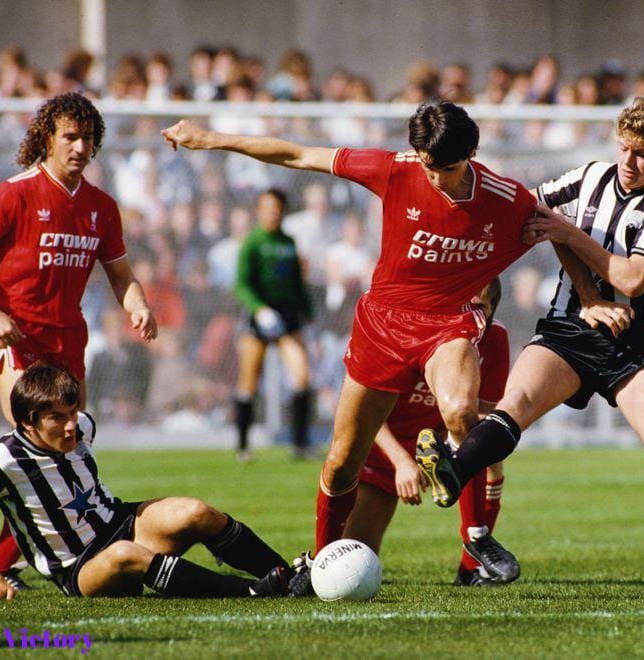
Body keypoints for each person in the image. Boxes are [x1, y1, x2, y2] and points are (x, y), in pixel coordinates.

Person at [162, 99, 538, 594]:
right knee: (341, 463)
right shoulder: (393, 170)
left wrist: (596, 292)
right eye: (427, 165)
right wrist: (211, 139)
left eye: (446, 169)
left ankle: (475, 539)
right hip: (383, 325)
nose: (436, 180)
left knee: (461, 413)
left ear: (471, 153)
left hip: (447, 324)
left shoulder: (506, 197)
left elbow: (561, 231)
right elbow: (298, 155)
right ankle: (319, 562)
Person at [416, 97, 644, 598]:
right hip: (568, 330)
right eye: (623, 148)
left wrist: (568, 234)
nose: (629, 163)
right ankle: (451, 469)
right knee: (512, 410)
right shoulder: (591, 175)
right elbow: (530, 211)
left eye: (642, 154)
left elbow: (632, 277)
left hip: (630, 344)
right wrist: (587, 295)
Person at [0, 92, 158, 591]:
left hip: (68, 342)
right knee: (38, 451)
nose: (79, 147)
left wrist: (136, 303)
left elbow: (121, 275)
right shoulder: (16, 192)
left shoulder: (101, 207)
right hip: (18, 336)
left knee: (62, 454)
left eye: (87, 138)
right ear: (46, 139)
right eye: (69, 137)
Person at [0, 363, 290, 600]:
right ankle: (245, 591)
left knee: (193, 511)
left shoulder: (83, 425)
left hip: (121, 524)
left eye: (72, 412)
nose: (71, 426)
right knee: (125, 554)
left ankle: (288, 575)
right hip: (79, 569)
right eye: (56, 418)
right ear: (28, 422)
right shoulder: (0, 461)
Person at [342, 279, 518, 586]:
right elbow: (362, 416)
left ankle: (472, 566)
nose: (472, 317)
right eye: (465, 306)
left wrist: (455, 448)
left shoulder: (495, 337)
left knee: (490, 454)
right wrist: (402, 462)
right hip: (382, 447)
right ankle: (314, 565)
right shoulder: (409, 330)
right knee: (351, 564)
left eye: (480, 308)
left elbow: (484, 413)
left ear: (492, 310)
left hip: (434, 439)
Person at [233, 188, 313, 461]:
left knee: (301, 376)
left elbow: (297, 284)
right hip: (260, 319)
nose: (272, 213)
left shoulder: (289, 243)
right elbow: (242, 285)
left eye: (277, 208)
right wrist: (260, 310)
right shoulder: (252, 242)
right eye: (267, 208)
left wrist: (306, 313)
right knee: (248, 383)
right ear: (259, 210)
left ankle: (300, 443)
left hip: (288, 317)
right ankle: (243, 445)